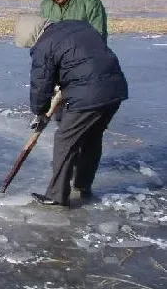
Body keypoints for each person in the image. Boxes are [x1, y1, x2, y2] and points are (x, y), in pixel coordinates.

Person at [14, 15, 128, 206]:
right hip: (115, 88)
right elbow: (83, 60)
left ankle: (56, 195)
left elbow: (41, 85)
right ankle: (83, 185)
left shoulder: (44, 45)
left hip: (89, 94)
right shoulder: (77, 26)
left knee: (64, 141)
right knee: (92, 138)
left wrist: (39, 111)